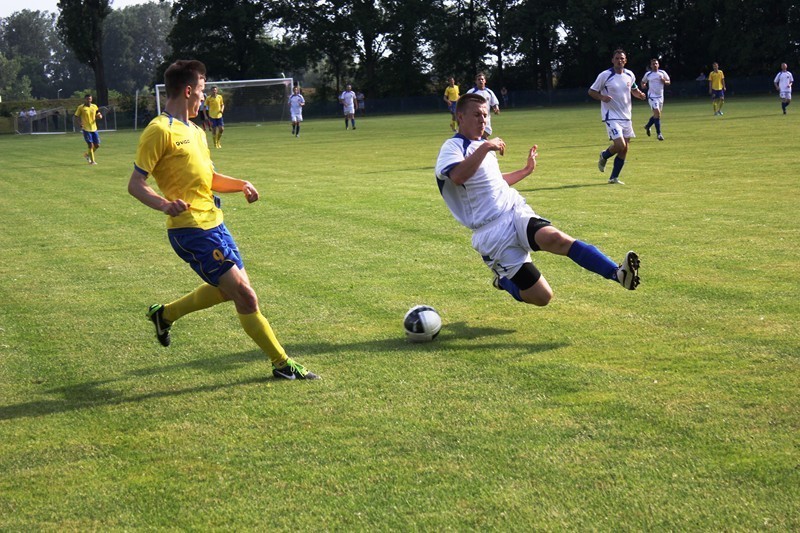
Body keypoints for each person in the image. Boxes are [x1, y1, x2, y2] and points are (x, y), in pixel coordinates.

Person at [127, 59, 319, 380]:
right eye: (202, 91)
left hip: (216, 224)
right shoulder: (159, 131)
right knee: (245, 295)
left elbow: (210, 178)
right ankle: (282, 364)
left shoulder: (197, 131)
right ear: (188, 91)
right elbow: (136, 184)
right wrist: (163, 205)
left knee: (231, 291)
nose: (204, 97)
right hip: (191, 231)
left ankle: (166, 315)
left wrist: (241, 184)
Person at [434, 93, 640, 308]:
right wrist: (486, 147)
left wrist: (526, 170)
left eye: (485, 115)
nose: (483, 120)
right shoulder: (454, 147)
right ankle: (503, 281)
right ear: (460, 116)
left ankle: (618, 274)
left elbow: (495, 183)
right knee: (543, 297)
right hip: (492, 233)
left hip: (515, 212)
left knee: (557, 239)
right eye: (477, 115)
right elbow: (458, 176)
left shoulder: (483, 145)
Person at [588, 49, 647, 185]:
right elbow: (591, 91)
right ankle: (604, 155)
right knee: (620, 145)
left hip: (626, 116)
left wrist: (639, 95)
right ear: (612, 60)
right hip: (611, 116)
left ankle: (613, 178)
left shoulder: (629, 75)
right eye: (617, 58)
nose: (619, 61)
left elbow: (634, 89)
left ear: (625, 61)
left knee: (625, 148)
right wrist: (602, 97)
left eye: (622, 58)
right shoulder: (605, 75)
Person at [640, 58, 671, 140]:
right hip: (652, 96)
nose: (655, 65)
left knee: (657, 115)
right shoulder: (648, 74)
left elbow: (669, 82)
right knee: (657, 112)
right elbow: (643, 82)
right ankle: (659, 134)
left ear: (658, 65)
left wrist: (664, 81)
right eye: (653, 64)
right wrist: (643, 85)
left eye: (656, 63)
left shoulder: (662, 73)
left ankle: (647, 126)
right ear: (651, 65)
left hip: (660, 96)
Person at [466, 73, 500, 137]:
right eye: (479, 79)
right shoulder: (471, 92)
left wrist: (496, 108)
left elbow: (494, 103)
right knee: (480, 135)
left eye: (482, 79)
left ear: (485, 81)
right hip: (474, 118)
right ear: (476, 81)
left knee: (485, 134)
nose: (480, 81)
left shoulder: (489, 92)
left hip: (486, 118)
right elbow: (465, 103)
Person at [73, 95, 103, 165]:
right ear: (85, 99)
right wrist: (80, 123)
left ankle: (87, 155)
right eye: (87, 99)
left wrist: (100, 116)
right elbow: (76, 116)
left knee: (97, 145)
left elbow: (98, 114)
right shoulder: (81, 107)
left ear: (91, 99)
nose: (88, 100)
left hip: (94, 128)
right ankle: (92, 161)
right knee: (90, 145)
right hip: (86, 129)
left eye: (90, 99)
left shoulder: (94, 106)